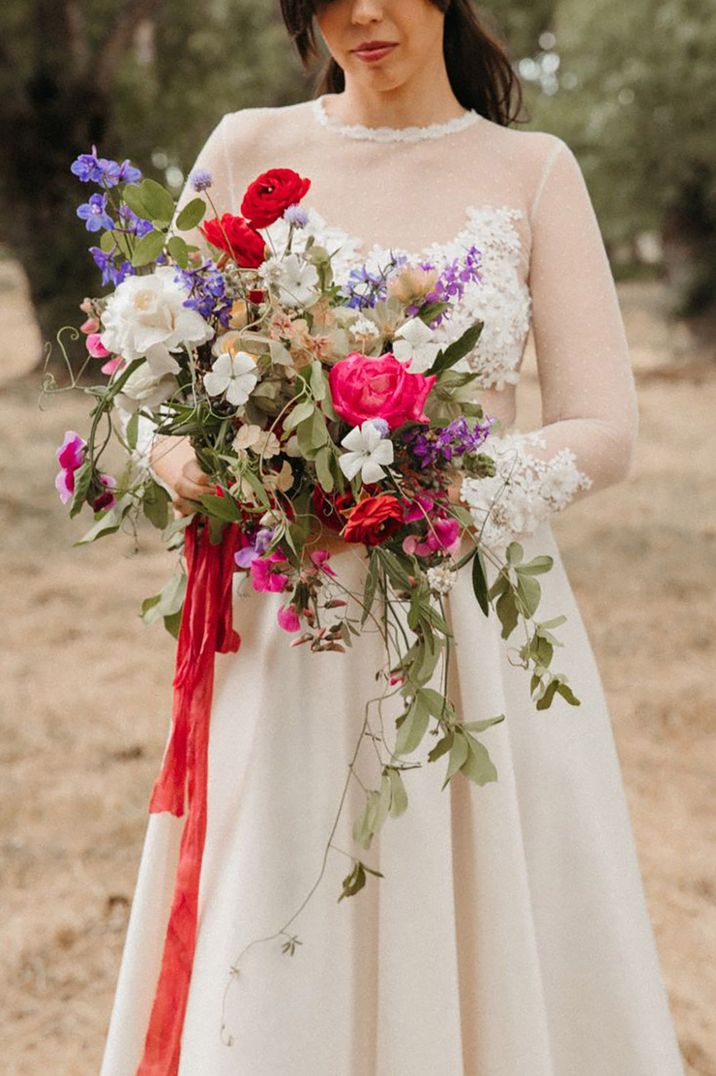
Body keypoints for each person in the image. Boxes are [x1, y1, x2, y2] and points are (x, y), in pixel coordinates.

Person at [100, 2, 685, 1073]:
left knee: (473, 905)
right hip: (292, 621)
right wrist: (176, 456)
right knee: (284, 903)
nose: (360, 13)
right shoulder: (245, 147)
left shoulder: (535, 170)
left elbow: (605, 429)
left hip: (472, 623)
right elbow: (144, 372)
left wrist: (432, 483)